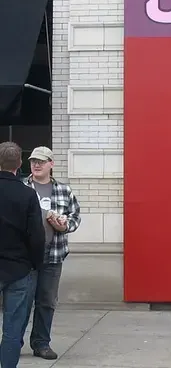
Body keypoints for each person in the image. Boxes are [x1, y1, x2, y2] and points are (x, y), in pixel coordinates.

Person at [22, 146, 82, 360]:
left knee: (46, 302)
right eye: (33, 161)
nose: (36, 165)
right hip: (26, 257)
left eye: (41, 161)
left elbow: (75, 217)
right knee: (22, 302)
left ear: (51, 164)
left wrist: (64, 225)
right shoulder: (22, 187)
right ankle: (13, 343)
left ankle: (41, 344)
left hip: (53, 255)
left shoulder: (64, 190)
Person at [0, 142, 45, 368]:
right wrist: (36, 264)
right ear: (19, 164)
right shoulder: (27, 195)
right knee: (13, 327)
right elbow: (36, 236)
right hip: (18, 269)